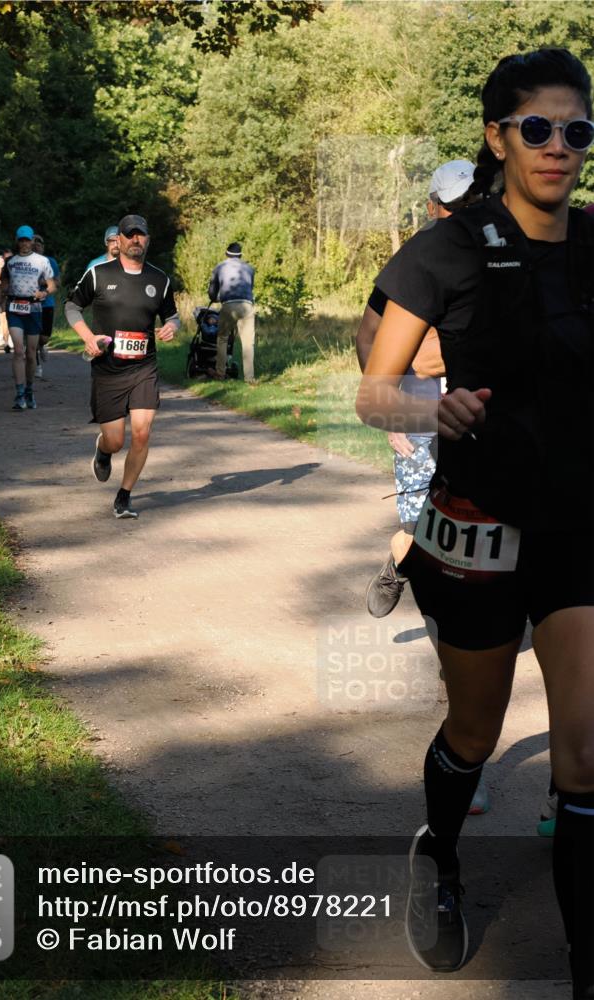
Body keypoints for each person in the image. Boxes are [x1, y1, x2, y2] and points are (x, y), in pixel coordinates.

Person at [356, 48, 593, 996]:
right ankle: (440, 855)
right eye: (537, 128)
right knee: (474, 731)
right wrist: (432, 411)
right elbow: (375, 394)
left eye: (577, 130)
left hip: (579, 529)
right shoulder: (443, 250)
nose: (559, 146)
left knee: (583, 752)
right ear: (497, 138)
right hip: (479, 529)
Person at [358, 160, 477, 621]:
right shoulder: (418, 258)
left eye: (473, 203)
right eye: (454, 207)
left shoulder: (502, 253)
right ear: (433, 208)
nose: (464, 214)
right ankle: (400, 566)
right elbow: (367, 337)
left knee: (474, 527)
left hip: (479, 408)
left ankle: (462, 639)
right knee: (417, 529)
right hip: (420, 401)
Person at [65, 214, 179, 518]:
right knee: (116, 440)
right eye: (129, 235)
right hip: (108, 368)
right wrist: (88, 337)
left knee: (142, 434)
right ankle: (103, 450)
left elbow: (172, 315)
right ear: (119, 240)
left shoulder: (159, 279)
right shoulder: (98, 274)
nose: (135, 240)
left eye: (140, 234)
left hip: (144, 367)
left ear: (148, 239)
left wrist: (172, 326)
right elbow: (72, 306)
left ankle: (124, 495)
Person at [0, 225, 55, 410]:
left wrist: (44, 293)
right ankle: (19, 394)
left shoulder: (42, 261)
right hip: (14, 307)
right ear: (17, 241)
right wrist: (1, 295)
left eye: (27, 240)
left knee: (31, 354)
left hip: (34, 308)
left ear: (32, 241)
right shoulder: (10, 262)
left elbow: (52, 285)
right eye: (21, 240)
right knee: (18, 351)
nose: (24, 243)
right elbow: (4, 283)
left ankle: (30, 390)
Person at [207, 242, 256, 382]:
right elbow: (249, 288)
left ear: (226, 254)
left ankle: (220, 373)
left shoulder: (219, 267)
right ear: (240, 255)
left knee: (222, 338)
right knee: (248, 343)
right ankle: (249, 378)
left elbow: (212, 292)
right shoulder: (249, 268)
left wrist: (215, 298)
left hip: (228, 305)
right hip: (247, 305)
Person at [32, 234, 60, 378]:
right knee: (33, 336)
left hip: (47, 303)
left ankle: (42, 346)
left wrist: (44, 282)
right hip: (31, 304)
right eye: (34, 242)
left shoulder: (51, 262)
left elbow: (58, 283)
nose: (36, 245)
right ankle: (37, 366)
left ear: (43, 246)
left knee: (44, 338)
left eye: (39, 243)